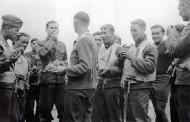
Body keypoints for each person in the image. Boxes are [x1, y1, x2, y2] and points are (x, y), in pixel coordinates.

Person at [62, 11, 98, 122]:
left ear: (76, 23)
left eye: (74, 23)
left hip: (78, 89)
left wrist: (64, 69)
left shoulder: (83, 40)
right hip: (88, 88)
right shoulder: (91, 39)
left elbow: (85, 66)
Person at [120, 19, 158, 122]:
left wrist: (131, 57)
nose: (132, 33)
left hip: (141, 87)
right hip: (130, 88)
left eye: (135, 30)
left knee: (141, 119)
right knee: (130, 119)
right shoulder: (132, 47)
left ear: (143, 29)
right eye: (131, 30)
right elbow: (127, 68)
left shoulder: (150, 47)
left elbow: (150, 67)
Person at [36, 20, 67, 122]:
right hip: (47, 82)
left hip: (61, 82)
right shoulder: (40, 44)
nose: (54, 30)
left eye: (56, 28)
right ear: (46, 30)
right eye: (51, 28)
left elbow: (66, 62)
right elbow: (42, 53)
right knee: (45, 112)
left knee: (63, 111)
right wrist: (52, 40)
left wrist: (61, 64)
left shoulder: (62, 45)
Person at [91, 24, 122, 122]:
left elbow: (122, 69)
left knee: (114, 116)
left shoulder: (119, 48)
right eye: (101, 33)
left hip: (113, 85)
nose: (102, 36)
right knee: (100, 114)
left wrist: (110, 70)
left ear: (112, 33)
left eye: (105, 33)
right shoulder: (101, 49)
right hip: (100, 85)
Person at [0, 15, 23, 122]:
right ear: (6, 28)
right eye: (16, 30)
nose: (18, 33)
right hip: (2, 88)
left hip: (10, 87)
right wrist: (10, 61)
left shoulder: (5, 44)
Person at [170, 0, 190, 121]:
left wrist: (172, 35)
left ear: (186, 6)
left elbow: (175, 51)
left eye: (179, 9)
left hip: (187, 80)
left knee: (185, 116)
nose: (179, 13)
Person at [150, 25, 172, 122]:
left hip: (164, 79)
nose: (155, 36)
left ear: (163, 33)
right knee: (156, 108)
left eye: (157, 33)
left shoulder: (168, 44)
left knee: (160, 108)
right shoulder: (150, 46)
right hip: (151, 79)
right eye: (153, 33)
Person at [12, 32, 31, 122]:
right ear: (15, 41)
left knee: (21, 116)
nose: (25, 45)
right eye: (23, 42)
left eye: (27, 43)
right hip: (10, 91)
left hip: (22, 91)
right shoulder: (9, 54)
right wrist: (15, 75)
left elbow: (28, 74)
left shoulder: (26, 59)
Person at [25, 38, 41, 122]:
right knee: (29, 106)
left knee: (40, 106)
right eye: (33, 43)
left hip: (41, 84)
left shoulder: (43, 55)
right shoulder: (26, 55)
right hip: (30, 84)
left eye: (37, 43)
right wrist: (31, 70)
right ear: (31, 45)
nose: (35, 45)